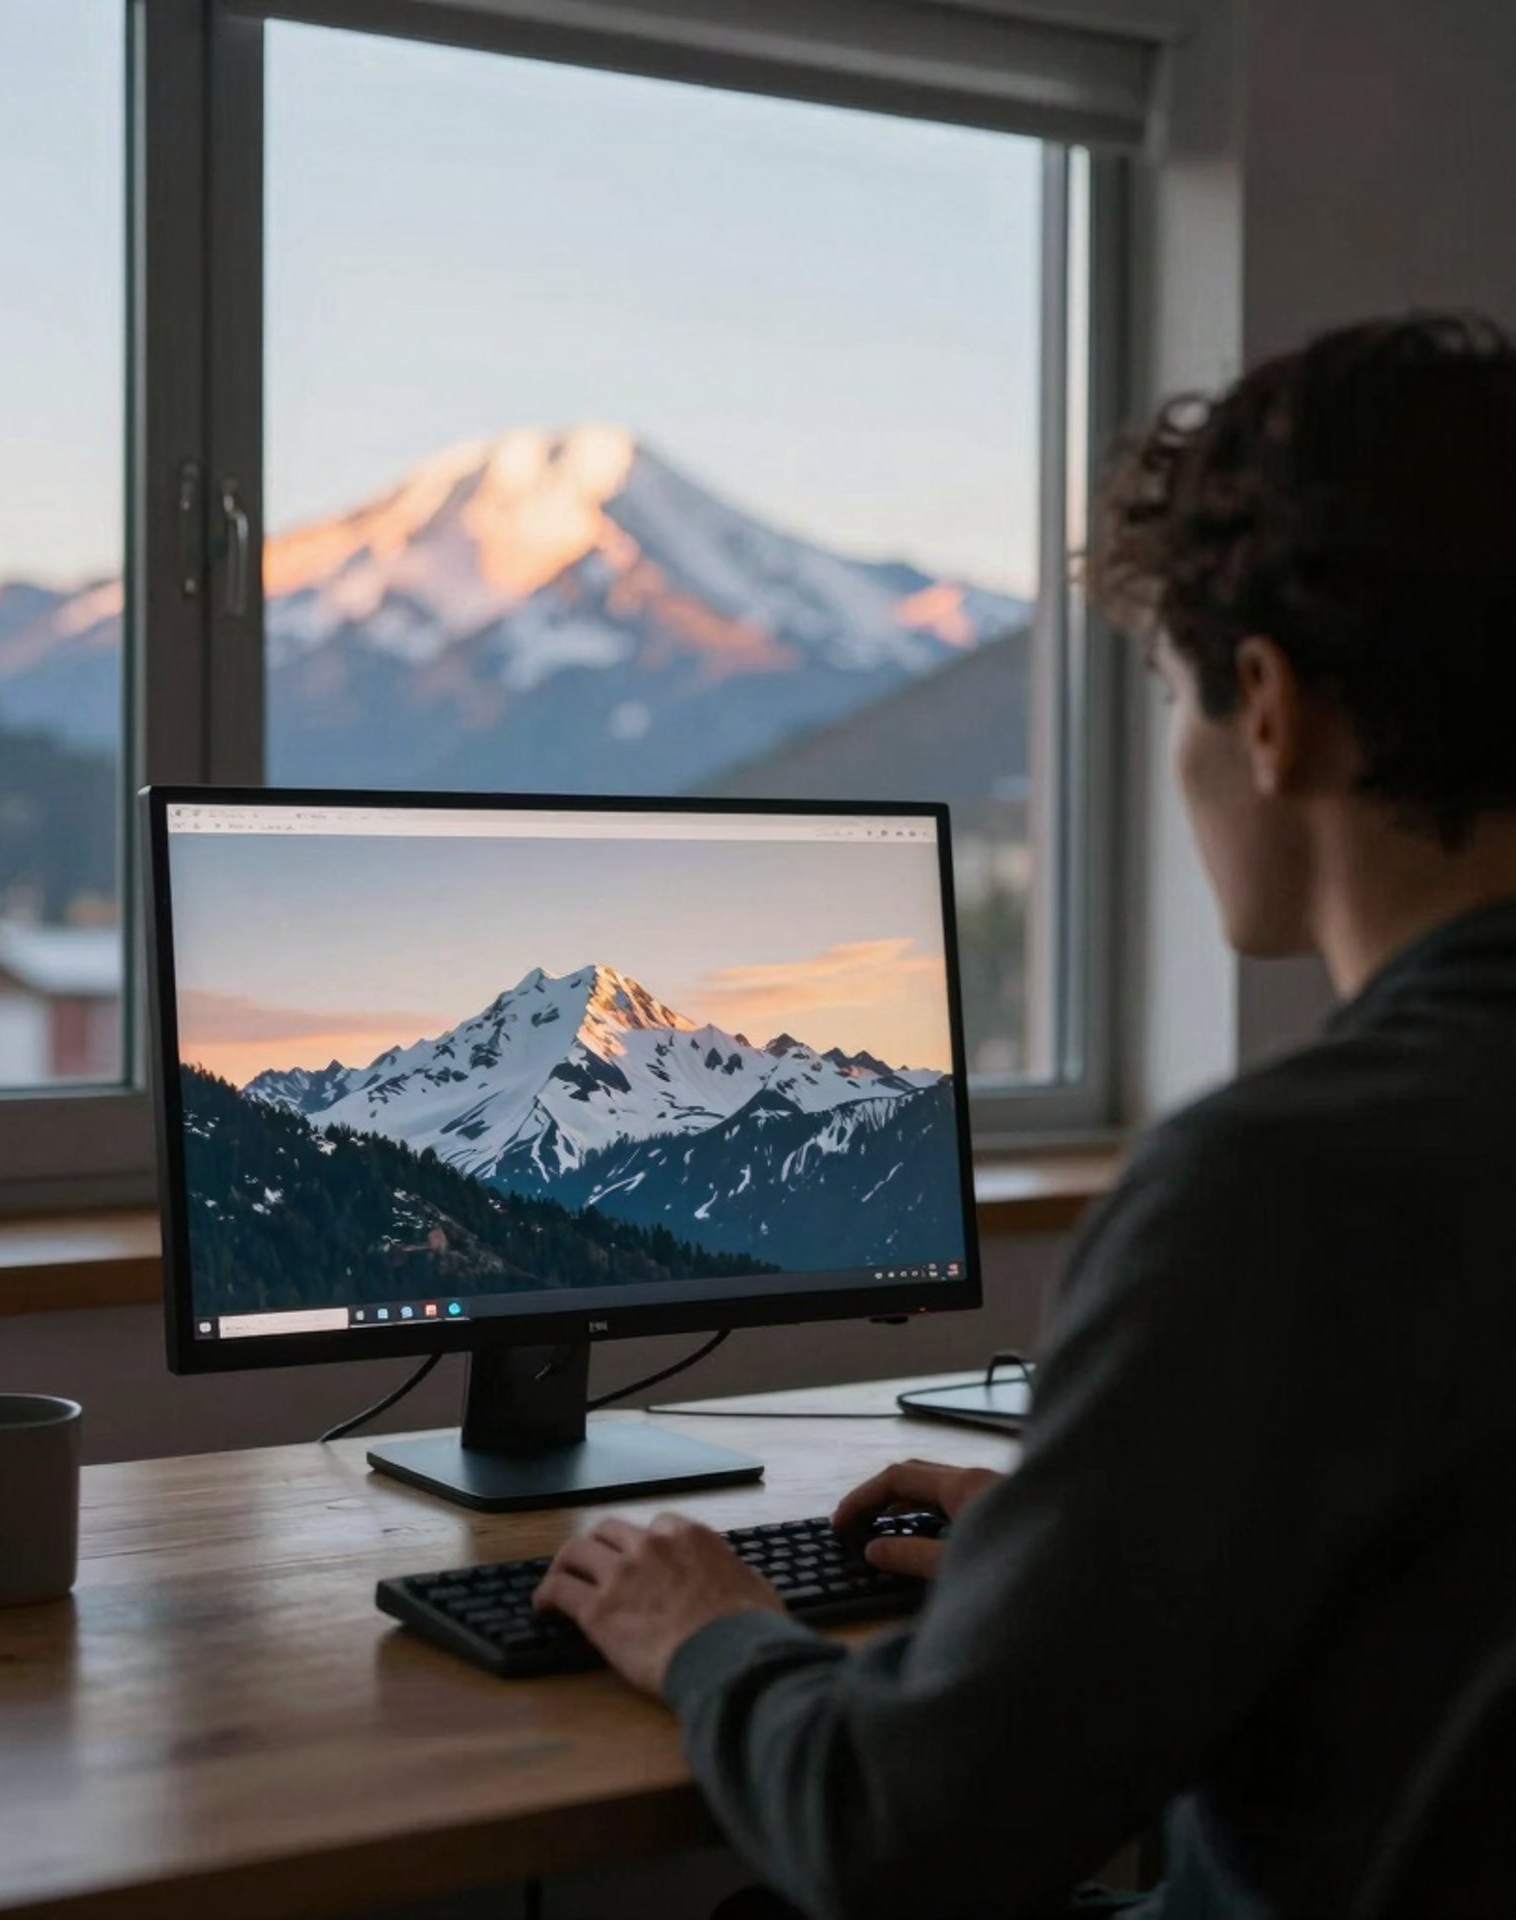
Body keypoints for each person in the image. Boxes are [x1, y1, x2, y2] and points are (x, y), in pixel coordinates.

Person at [534, 312, 1516, 1919]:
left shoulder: (1281, 1187)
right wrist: (1077, 1552)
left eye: (1172, 701)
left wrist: (702, 1628)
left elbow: (897, 1836)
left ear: (1267, 708)